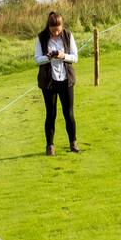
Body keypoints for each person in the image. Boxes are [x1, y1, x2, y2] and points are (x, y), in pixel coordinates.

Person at [35, 10, 79, 155]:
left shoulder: (68, 35)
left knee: (69, 113)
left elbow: (75, 57)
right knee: (51, 114)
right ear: (49, 27)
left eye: (58, 30)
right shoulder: (41, 38)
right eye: (53, 30)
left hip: (66, 80)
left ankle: (73, 142)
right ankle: (50, 146)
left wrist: (62, 55)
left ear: (62, 26)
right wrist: (48, 57)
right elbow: (37, 59)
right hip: (49, 81)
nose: (55, 33)